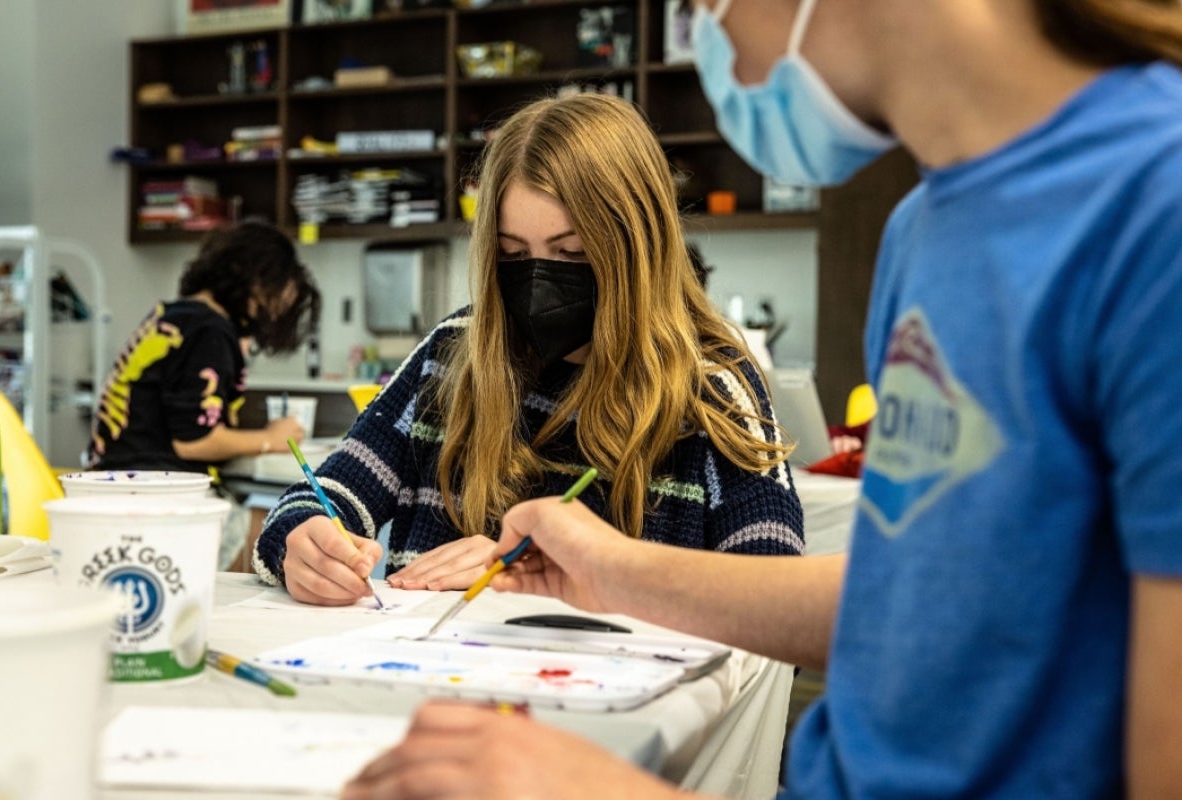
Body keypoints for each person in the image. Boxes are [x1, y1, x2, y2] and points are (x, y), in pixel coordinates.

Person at [341, 0, 1182, 798]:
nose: (710, 46)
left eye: (704, 8)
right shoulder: (925, 225)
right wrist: (607, 569)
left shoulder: (1154, 209)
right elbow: (933, 601)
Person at [252, 92, 805, 604]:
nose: (539, 284)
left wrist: (550, 576)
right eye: (513, 256)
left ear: (637, 248)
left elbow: (774, 607)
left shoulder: (712, 389)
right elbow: (323, 497)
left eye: (571, 253)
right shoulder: (452, 356)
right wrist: (303, 540)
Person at [88, 220, 320, 565]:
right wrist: (272, 437)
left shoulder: (176, 316)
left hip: (115, 484)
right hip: (150, 494)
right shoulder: (210, 330)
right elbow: (193, 440)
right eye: (274, 301)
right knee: (282, 533)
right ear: (256, 283)